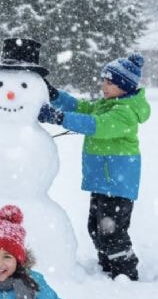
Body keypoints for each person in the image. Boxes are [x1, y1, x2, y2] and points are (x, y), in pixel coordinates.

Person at [38, 52, 151, 281]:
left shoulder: (124, 113)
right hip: (102, 181)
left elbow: (96, 125)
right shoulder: (106, 104)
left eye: (110, 82)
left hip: (117, 183)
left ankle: (125, 272)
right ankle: (107, 265)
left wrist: (59, 118)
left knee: (112, 231)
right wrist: (55, 96)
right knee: (95, 227)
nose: (104, 86)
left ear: (125, 87)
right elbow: (80, 107)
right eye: (104, 80)